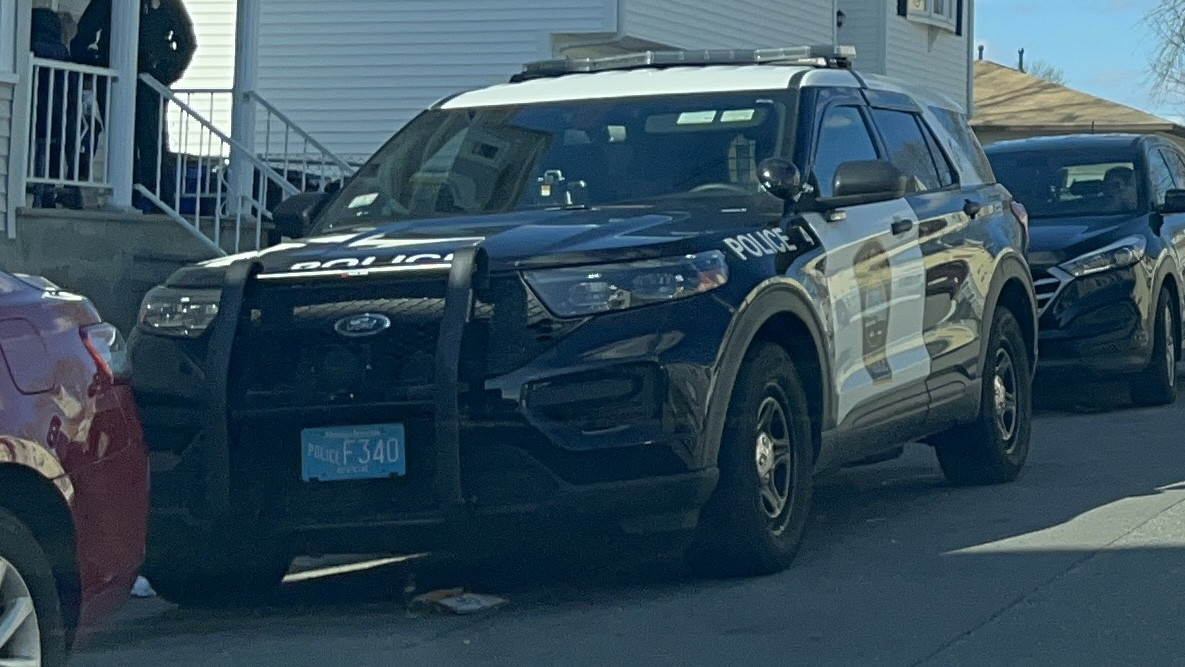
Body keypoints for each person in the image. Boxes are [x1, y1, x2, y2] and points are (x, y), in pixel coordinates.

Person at [71, 0, 197, 211]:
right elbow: (82, 38)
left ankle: (161, 206)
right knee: (120, 141)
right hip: (115, 84)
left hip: (150, 85)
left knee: (153, 144)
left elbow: (187, 43)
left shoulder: (166, 3)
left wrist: (163, 74)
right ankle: (127, 198)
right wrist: (100, 67)